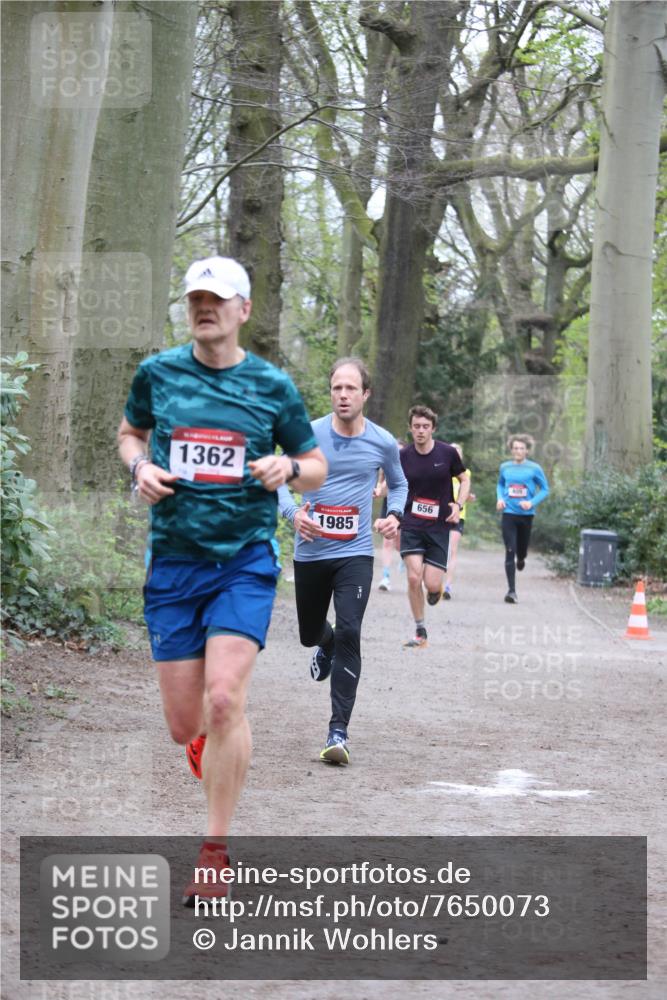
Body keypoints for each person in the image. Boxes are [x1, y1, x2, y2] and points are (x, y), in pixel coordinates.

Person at [118, 256, 327, 900]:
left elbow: (314, 462)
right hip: (175, 562)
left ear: (243, 310)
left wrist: (286, 473)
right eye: (195, 300)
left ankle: (214, 852)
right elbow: (131, 434)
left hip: (244, 560)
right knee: (187, 724)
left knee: (225, 699)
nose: (204, 308)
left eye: (217, 299)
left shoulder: (272, 386)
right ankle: (209, 747)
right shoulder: (158, 374)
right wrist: (139, 469)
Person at [278, 358, 407, 765]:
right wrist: (293, 514)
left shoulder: (383, 441)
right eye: (337, 388)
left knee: (351, 628)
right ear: (331, 393)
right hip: (311, 552)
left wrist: (394, 515)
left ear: (365, 394)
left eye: (351, 388)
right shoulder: (308, 434)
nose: (343, 395)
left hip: (354, 553)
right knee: (309, 632)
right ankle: (325, 642)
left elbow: (399, 484)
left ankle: (338, 731)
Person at [399, 405, 470, 648]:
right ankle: (420, 631)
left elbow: (464, 479)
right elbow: (392, 482)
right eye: (416, 426)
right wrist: (380, 490)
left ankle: (435, 588)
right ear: (410, 428)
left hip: (439, 527)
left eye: (425, 427)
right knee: (412, 577)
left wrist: (458, 504)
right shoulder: (403, 456)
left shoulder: (448, 453)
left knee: (430, 582)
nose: (420, 431)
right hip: (411, 524)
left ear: (433, 429)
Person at [496, 433, 549, 604]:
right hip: (509, 514)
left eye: (521, 448)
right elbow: (501, 484)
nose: (518, 451)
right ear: (511, 450)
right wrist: (500, 498)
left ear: (527, 451)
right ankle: (511, 591)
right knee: (510, 549)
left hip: (526, 516)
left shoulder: (534, 468)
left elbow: (545, 489)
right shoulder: (505, 467)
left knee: (522, 549)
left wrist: (531, 502)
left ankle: (522, 558)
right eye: (515, 448)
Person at [443, 443, 476, 599]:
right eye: (452, 451)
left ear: (461, 456)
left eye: (458, 452)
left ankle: (447, 586)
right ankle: (431, 580)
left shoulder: (466, 473)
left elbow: (466, 492)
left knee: (451, 550)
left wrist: (469, 498)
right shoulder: (441, 469)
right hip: (440, 515)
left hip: (458, 516)